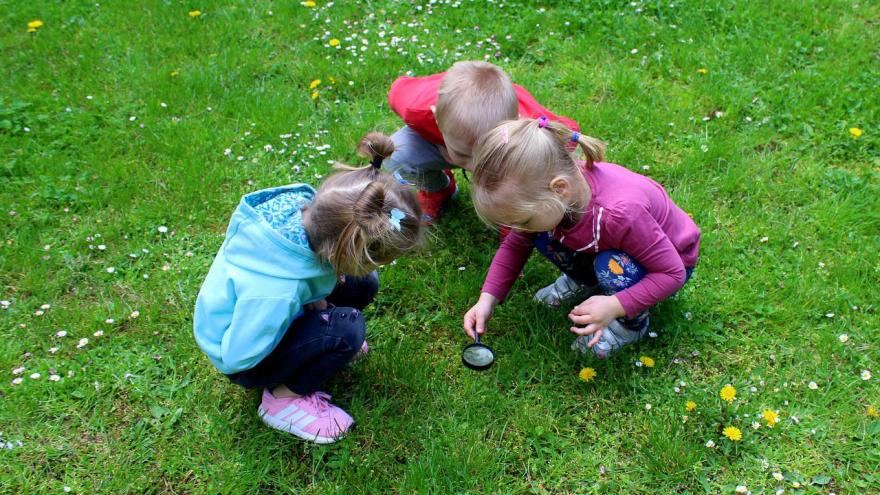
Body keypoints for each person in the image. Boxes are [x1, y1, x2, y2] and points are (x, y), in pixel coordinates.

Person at [194, 133, 422, 443]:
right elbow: (236, 357)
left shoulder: (313, 219)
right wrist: (299, 325)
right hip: (244, 352)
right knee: (347, 331)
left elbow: (307, 275)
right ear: (339, 253)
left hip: (278, 306)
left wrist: (314, 302)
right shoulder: (274, 292)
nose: (378, 268)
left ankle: (317, 342)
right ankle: (282, 400)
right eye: (374, 261)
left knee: (362, 284)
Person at [463, 117, 700, 358]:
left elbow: (671, 273)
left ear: (559, 189)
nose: (517, 229)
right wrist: (487, 300)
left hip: (668, 263)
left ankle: (630, 326)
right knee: (541, 235)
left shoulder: (621, 215)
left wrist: (614, 306)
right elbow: (515, 245)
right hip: (612, 244)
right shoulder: (555, 196)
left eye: (523, 221)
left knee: (610, 264)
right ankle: (587, 281)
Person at [387, 60, 587, 306]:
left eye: (483, 157)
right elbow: (397, 89)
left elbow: (566, 139)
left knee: (526, 174)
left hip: (505, 145)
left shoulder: (529, 126)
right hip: (440, 142)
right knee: (396, 153)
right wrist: (444, 149)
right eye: (465, 156)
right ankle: (438, 188)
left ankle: (511, 221)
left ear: (513, 121)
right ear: (436, 117)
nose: (475, 167)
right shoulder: (417, 109)